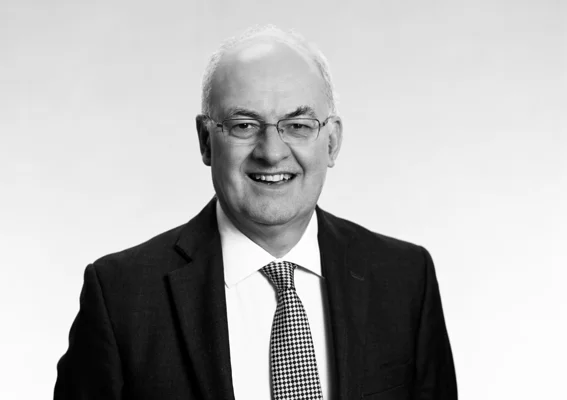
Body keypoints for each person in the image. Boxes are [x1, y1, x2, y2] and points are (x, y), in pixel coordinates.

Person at [54, 25, 457, 400]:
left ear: (332, 142)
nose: (272, 152)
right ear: (206, 141)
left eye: (298, 125)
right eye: (244, 125)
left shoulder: (405, 279)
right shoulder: (121, 297)